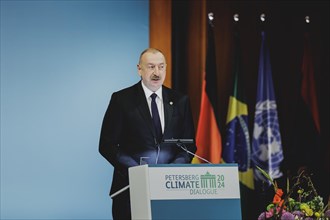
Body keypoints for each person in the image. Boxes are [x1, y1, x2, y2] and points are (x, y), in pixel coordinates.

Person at [99, 48, 197, 220]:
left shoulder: (181, 100)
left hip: (171, 189)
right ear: (139, 69)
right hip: (130, 188)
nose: (156, 73)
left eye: (161, 67)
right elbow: (107, 144)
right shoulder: (121, 99)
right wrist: (137, 170)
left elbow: (188, 144)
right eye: (151, 67)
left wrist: (172, 170)